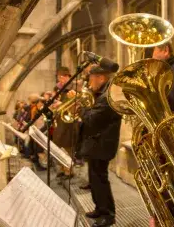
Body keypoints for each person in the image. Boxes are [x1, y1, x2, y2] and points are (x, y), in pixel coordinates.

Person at [68, 65, 121, 227]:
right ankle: (99, 207)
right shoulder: (100, 94)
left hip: (102, 145)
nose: (89, 82)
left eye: (91, 78)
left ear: (101, 78)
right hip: (96, 144)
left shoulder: (106, 97)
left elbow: (92, 119)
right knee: (95, 178)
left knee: (100, 179)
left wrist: (80, 106)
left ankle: (108, 215)